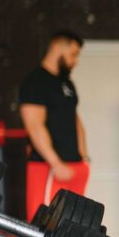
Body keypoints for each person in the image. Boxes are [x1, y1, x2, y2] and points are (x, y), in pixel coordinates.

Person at [19, 30, 89, 221]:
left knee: (71, 226)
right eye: (73, 54)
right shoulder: (35, 82)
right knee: (44, 227)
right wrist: (56, 163)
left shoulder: (67, 84)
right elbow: (34, 125)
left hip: (73, 166)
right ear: (58, 47)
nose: (76, 61)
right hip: (48, 168)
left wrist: (84, 157)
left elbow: (74, 117)